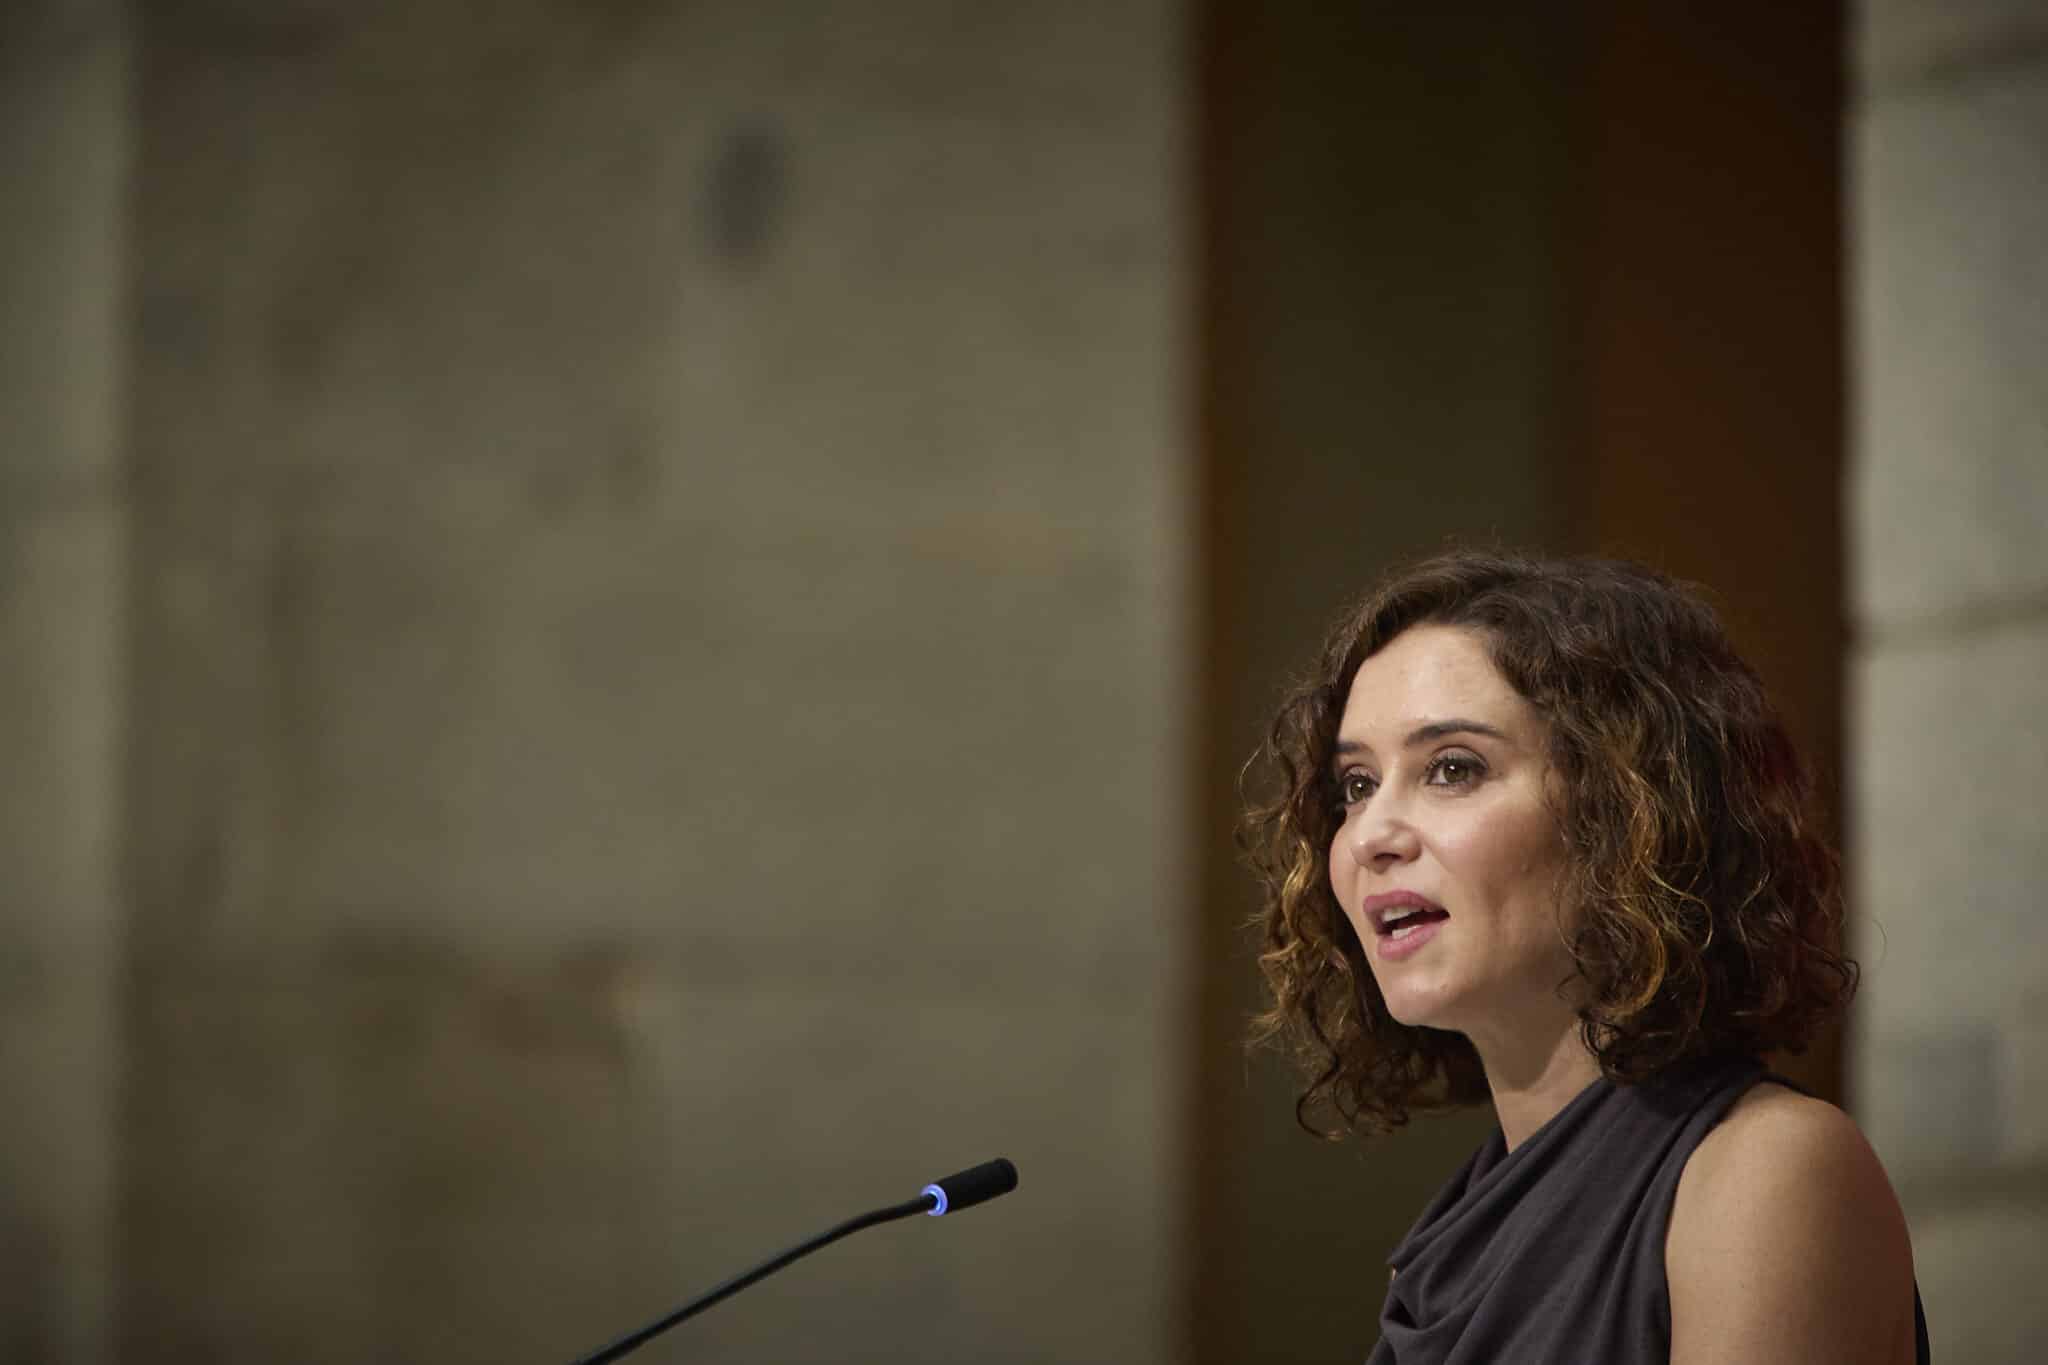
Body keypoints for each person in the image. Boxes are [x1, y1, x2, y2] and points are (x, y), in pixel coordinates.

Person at [1242, 550, 1926, 1364]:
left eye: (1452, 768)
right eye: (1355, 784)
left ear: (1629, 811)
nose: (1371, 836)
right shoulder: (1456, 1232)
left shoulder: (1768, 1172)